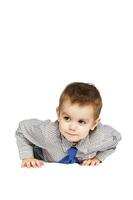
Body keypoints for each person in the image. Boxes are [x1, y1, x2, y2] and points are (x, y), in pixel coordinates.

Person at [15, 82, 121, 168]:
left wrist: (98, 158)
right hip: (43, 155)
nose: (72, 127)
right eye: (67, 118)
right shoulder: (48, 133)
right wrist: (27, 156)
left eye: (81, 122)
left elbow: (115, 141)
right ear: (58, 114)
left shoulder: (100, 137)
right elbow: (22, 130)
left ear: (94, 124)